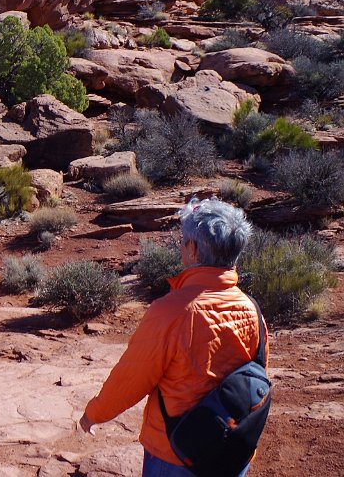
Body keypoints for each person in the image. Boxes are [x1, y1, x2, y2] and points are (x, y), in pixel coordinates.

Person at [77, 197, 266, 476]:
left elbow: (132, 377)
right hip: (231, 444)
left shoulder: (173, 311)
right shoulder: (252, 309)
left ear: (193, 248)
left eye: (182, 241)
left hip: (177, 452)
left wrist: (93, 414)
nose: (180, 246)